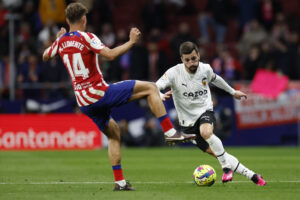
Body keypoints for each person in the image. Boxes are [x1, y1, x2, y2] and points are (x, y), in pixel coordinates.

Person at [42, 3, 195, 191]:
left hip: (84, 102)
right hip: (99, 93)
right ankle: (170, 133)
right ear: (83, 19)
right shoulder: (88, 37)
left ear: (67, 20)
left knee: (114, 133)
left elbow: (45, 56)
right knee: (151, 88)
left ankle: (120, 183)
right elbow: (110, 55)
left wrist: (58, 40)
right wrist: (131, 42)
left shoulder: (61, 41)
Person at [156, 41, 266, 186]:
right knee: (221, 154)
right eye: (187, 60)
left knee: (206, 132)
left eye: (194, 58)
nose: (191, 63)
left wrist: (233, 92)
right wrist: (159, 94)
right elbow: (155, 86)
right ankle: (253, 176)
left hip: (204, 111)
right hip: (187, 124)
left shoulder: (205, 69)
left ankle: (226, 169)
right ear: (182, 59)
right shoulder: (173, 73)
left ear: (199, 55)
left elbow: (216, 79)